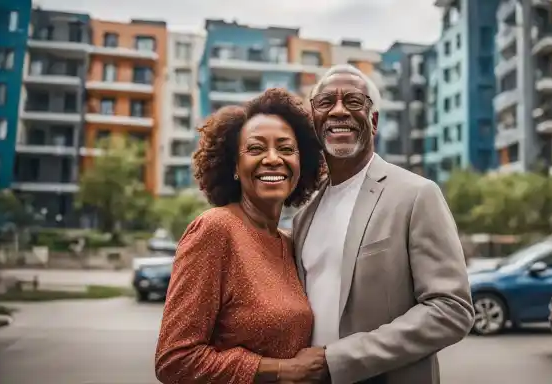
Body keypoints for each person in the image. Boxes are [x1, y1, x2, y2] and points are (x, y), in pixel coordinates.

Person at [293, 64, 475, 383]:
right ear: (314, 122)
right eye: (325, 102)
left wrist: (336, 361)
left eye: (353, 101)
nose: (338, 111)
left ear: (373, 120)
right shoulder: (303, 214)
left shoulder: (416, 195)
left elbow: (451, 310)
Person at [155, 88, 326, 383]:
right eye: (256, 149)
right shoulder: (215, 230)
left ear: (302, 164)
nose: (273, 159)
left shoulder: (289, 243)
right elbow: (174, 359)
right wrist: (282, 370)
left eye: (286, 149)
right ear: (235, 165)